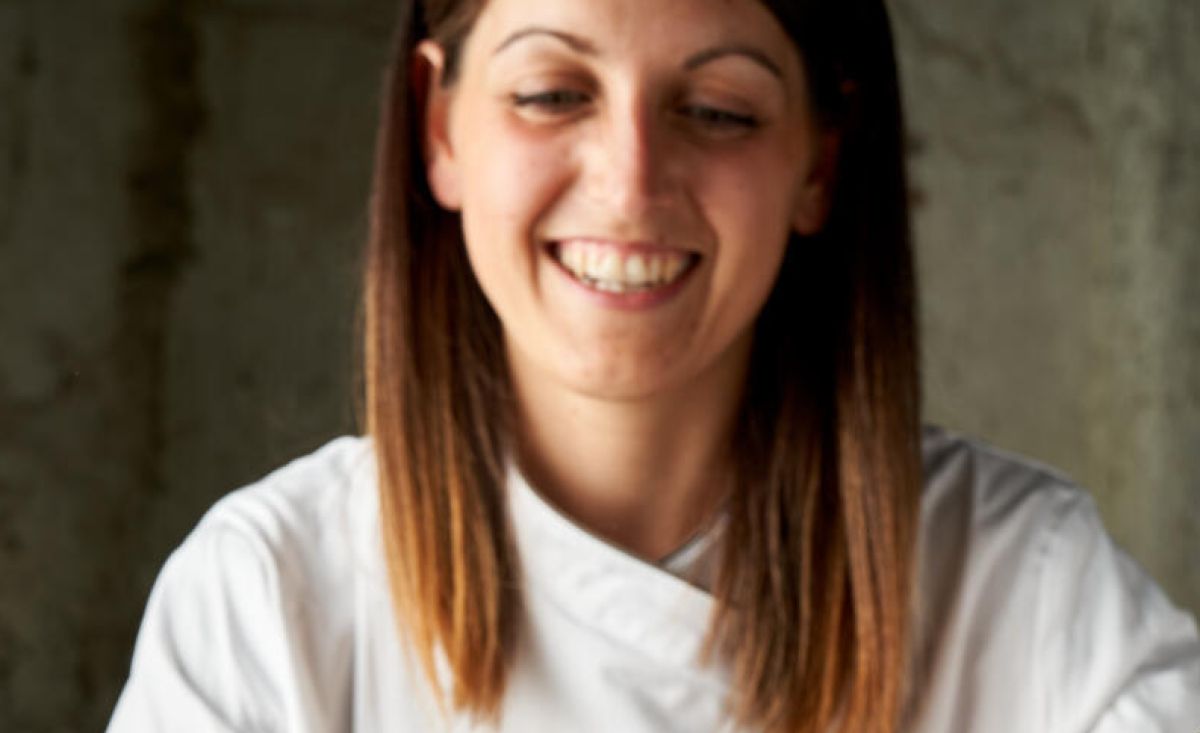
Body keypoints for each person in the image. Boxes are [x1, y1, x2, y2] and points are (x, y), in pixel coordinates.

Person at [107, 0, 1200, 731]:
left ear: (819, 163)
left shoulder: (1027, 587)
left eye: (719, 112)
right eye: (552, 93)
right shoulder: (268, 597)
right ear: (439, 128)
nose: (630, 184)